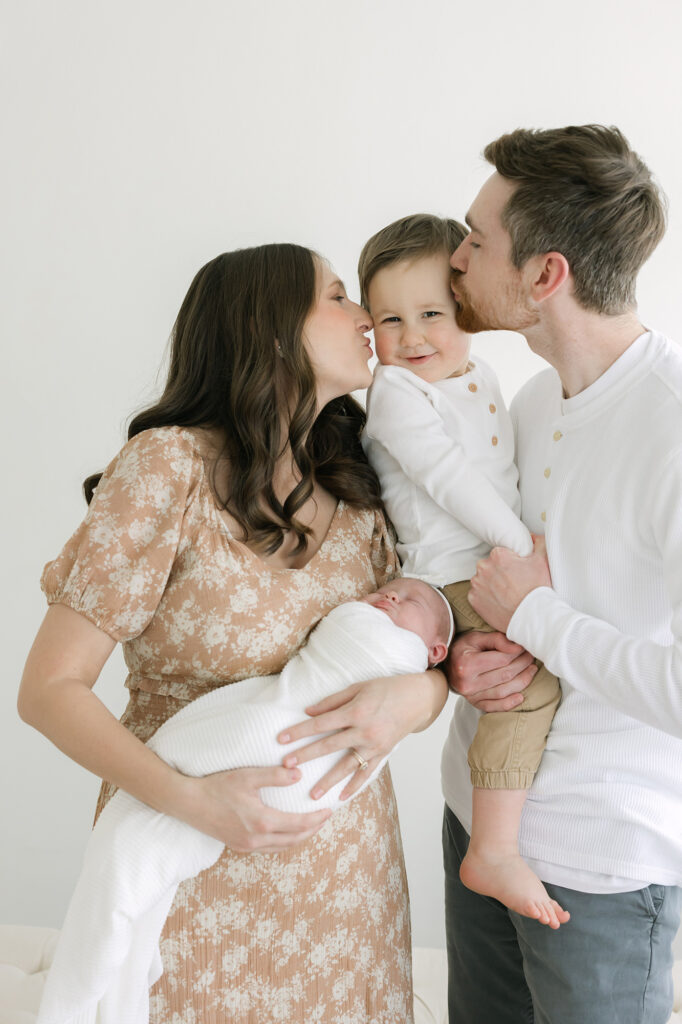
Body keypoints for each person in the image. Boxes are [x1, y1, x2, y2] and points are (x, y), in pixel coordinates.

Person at [18, 245, 449, 1024]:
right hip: (197, 879)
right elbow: (48, 691)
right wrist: (193, 802)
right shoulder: (166, 470)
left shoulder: (359, 490)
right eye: (338, 296)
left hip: (347, 893)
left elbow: (431, 644)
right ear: (270, 324)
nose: (366, 319)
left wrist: (418, 696)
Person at [443, 125, 682, 1024]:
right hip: (476, 820)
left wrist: (535, 616)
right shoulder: (536, 401)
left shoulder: (671, 427)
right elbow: (498, 596)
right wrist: (467, 656)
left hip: (599, 874)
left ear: (546, 276)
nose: (456, 259)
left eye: (476, 239)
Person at [37, 577, 453, 1024]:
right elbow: (47, 689)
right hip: (196, 889)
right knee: (124, 879)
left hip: (342, 906)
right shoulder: (157, 508)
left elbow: (447, 662)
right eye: (390, 593)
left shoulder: (375, 514)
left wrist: (426, 690)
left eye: (409, 599)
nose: (390, 595)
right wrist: (186, 797)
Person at [358, 213, 567, 929]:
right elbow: (449, 479)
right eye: (390, 319)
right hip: (454, 573)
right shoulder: (397, 394)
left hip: (485, 561)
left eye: (431, 315)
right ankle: (495, 848)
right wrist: (521, 551)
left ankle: (495, 840)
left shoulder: (478, 374)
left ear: (465, 311)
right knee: (530, 688)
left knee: (525, 678)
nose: (412, 337)